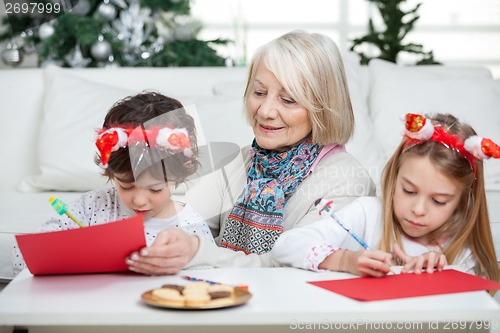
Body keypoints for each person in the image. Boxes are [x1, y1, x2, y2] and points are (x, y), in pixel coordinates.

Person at [126, 30, 376, 275]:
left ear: (323, 109)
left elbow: (290, 266)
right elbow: (181, 221)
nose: (265, 111)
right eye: (259, 93)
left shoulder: (347, 180)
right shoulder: (240, 160)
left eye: (288, 100)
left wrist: (196, 250)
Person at [271, 113, 500, 285]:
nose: (418, 209)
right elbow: (285, 246)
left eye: (439, 201)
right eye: (408, 191)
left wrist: (445, 275)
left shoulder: (463, 251)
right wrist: (344, 260)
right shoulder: (368, 213)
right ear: (394, 176)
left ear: (462, 200)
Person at [12, 92, 214, 275]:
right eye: (126, 186)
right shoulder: (91, 208)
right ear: (111, 172)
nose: (139, 200)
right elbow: (22, 258)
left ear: (181, 172)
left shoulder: (190, 226)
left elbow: (210, 275)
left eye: (155, 188)